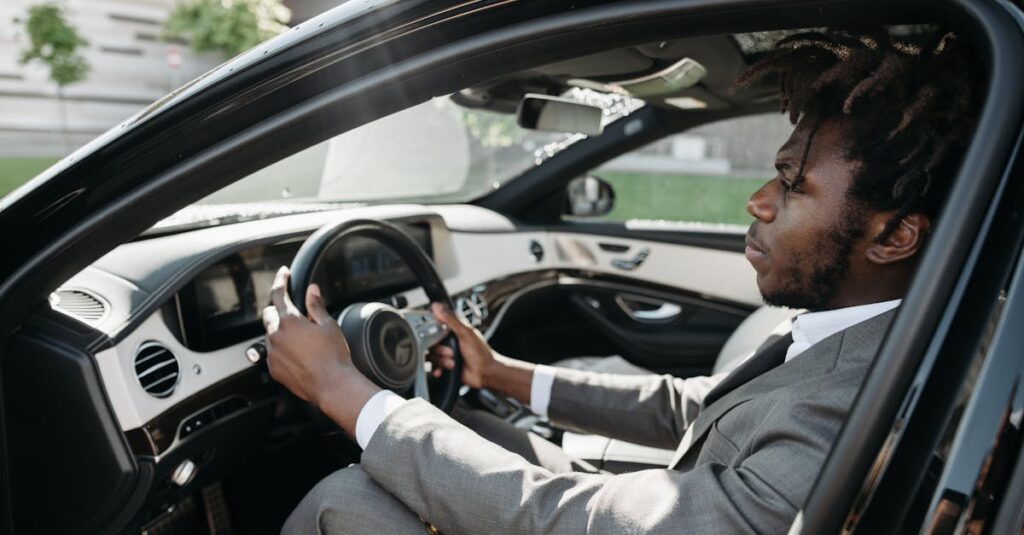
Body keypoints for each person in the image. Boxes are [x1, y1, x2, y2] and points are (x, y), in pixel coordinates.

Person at [261, 29, 979, 534]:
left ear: (895, 234)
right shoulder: (871, 327)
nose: (758, 200)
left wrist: (342, 390)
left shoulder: (850, 400)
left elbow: (582, 519)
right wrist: (502, 373)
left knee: (344, 497)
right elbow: (694, 407)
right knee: (472, 424)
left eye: (791, 184)